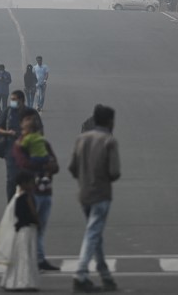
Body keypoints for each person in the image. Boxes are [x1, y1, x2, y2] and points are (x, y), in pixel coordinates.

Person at [69, 104, 120, 293]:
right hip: (101, 194)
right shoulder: (109, 140)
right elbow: (114, 172)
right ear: (108, 121)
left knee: (95, 234)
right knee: (93, 233)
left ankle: (105, 275)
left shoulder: (81, 138)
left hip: (83, 193)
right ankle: (80, 274)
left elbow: (73, 167)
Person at [12, 111, 61, 271]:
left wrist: (47, 166)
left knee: (40, 228)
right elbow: (22, 163)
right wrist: (44, 166)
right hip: (29, 193)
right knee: (29, 229)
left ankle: (39, 259)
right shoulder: (20, 144)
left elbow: (55, 165)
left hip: (45, 191)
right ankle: (28, 259)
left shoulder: (43, 143)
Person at [0, 170, 41, 292]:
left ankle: (13, 280)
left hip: (20, 229)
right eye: (32, 182)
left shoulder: (17, 197)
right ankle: (24, 281)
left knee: (19, 256)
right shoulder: (26, 197)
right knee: (26, 255)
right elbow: (33, 212)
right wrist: (38, 222)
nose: (34, 185)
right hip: (27, 229)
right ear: (24, 183)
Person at [0, 90, 37, 200]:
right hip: (11, 150)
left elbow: (40, 132)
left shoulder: (31, 113)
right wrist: (8, 133)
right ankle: (11, 205)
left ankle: (29, 204)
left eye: (14, 99)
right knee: (12, 179)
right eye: (11, 99)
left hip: (29, 150)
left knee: (29, 178)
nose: (12, 102)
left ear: (22, 100)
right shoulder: (8, 112)